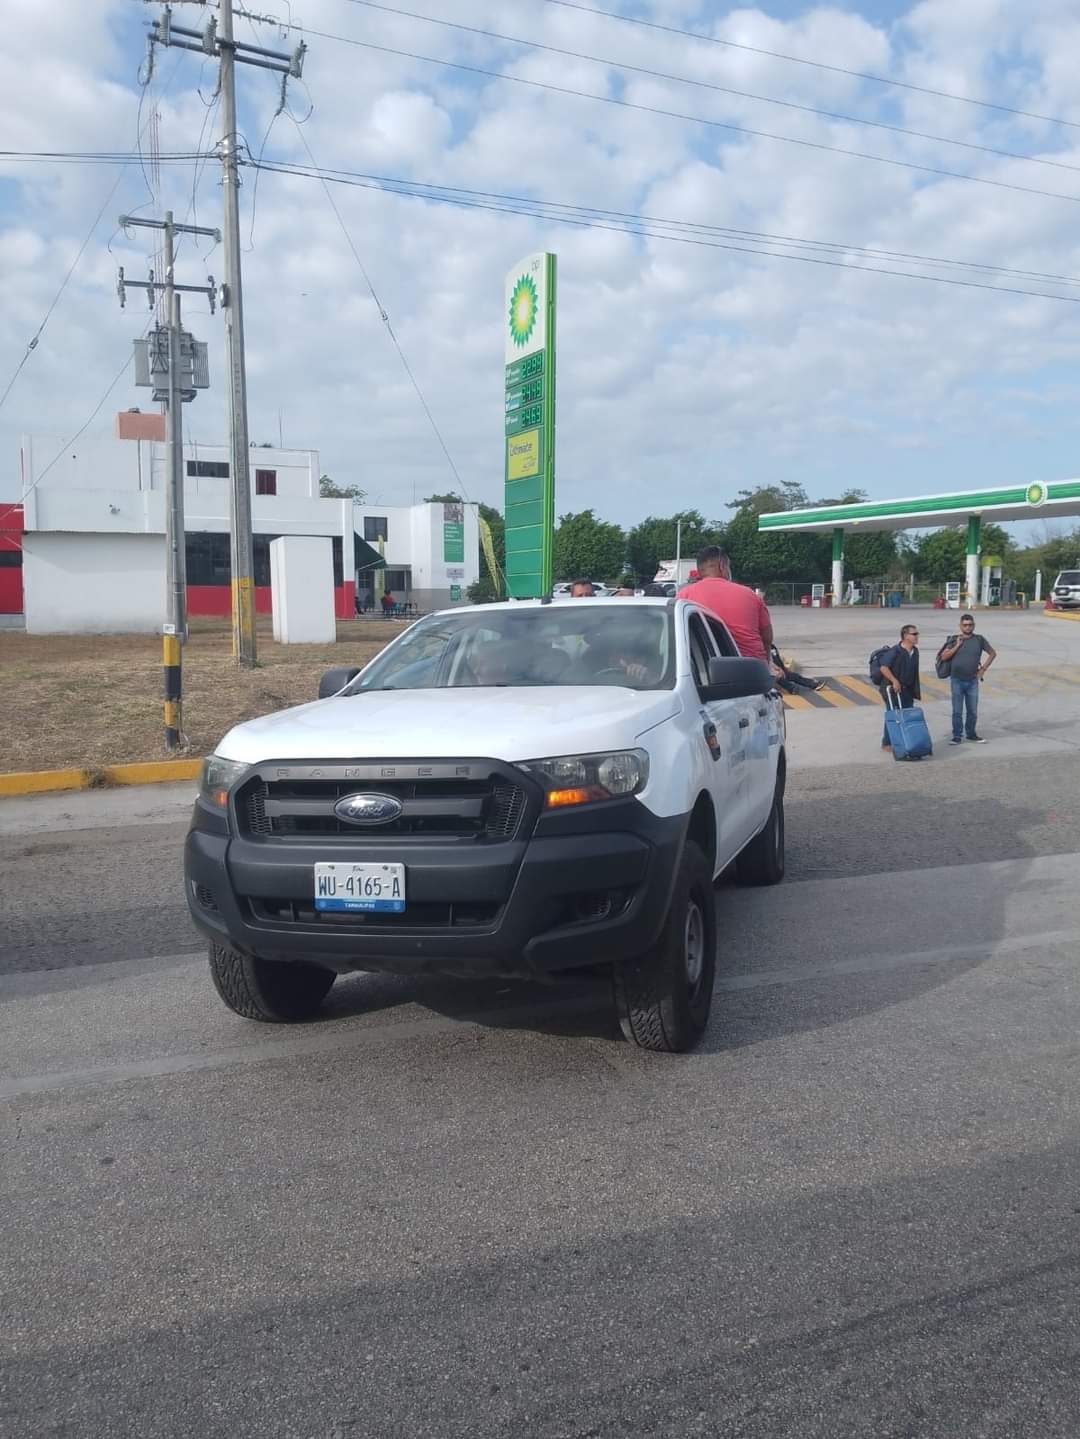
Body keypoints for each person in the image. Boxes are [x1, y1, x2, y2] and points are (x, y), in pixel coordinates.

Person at [677, 546, 772, 661]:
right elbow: (767, 638)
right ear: (722, 565)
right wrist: (768, 662)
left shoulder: (683, 597)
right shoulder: (750, 595)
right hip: (753, 669)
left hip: (705, 671)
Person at [939, 613, 996, 744]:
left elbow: (993, 653)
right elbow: (944, 657)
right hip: (957, 680)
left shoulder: (979, 639)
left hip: (972, 681)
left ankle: (971, 734)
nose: (968, 627)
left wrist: (983, 669)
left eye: (970, 625)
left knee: (972, 711)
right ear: (960, 626)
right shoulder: (954, 639)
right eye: (965, 625)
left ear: (974, 625)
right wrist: (957, 645)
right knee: (957, 711)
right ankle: (957, 736)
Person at [878, 624, 921, 751]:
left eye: (917, 634)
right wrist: (894, 680)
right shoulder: (895, 651)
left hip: (907, 689)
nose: (917, 636)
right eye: (914, 634)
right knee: (893, 714)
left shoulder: (915, 651)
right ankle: (887, 743)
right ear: (905, 636)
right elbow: (883, 667)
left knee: (907, 714)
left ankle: (905, 739)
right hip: (891, 689)